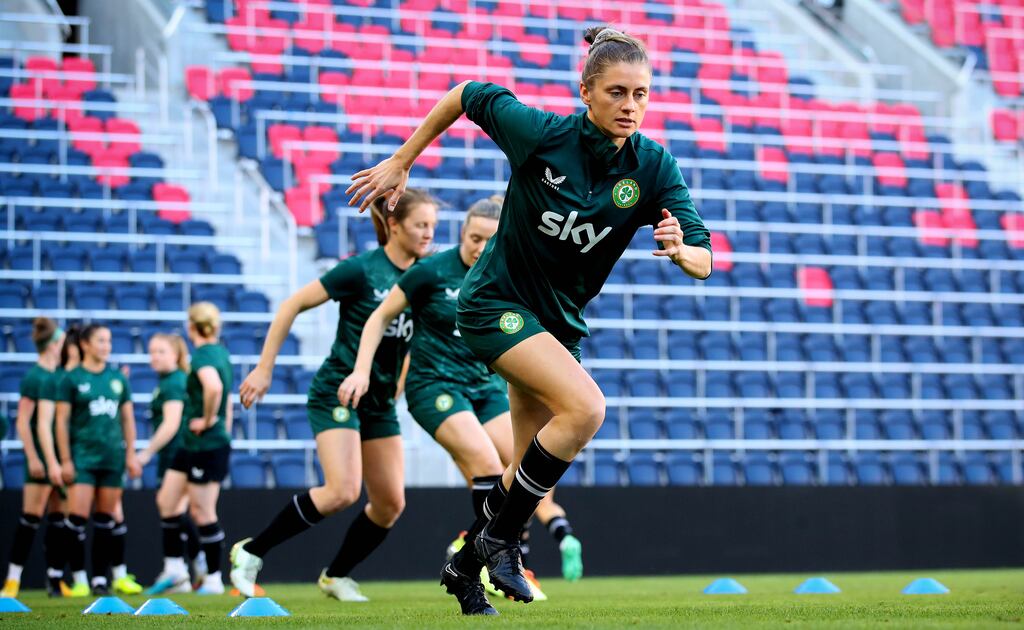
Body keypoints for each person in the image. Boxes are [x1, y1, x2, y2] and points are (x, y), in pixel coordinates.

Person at [348, 26, 712, 615]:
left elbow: (705, 255)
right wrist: (401, 160)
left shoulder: (653, 167)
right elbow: (465, 93)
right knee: (587, 409)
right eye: (617, 92)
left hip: (556, 325)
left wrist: (680, 250)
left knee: (523, 470)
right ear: (587, 91)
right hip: (492, 305)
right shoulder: (540, 134)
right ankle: (498, 543)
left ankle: (466, 568)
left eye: (642, 94)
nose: (631, 106)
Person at [337, 195, 583, 603]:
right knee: (486, 464)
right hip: (435, 386)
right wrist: (362, 370)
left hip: (484, 385)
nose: (481, 248)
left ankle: (477, 550)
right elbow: (379, 316)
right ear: (462, 234)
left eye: (490, 240)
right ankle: (489, 566)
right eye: (473, 238)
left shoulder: (507, 274)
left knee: (525, 461)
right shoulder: (432, 271)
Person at [229, 190, 438, 601]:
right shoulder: (361, 270)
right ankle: (251, 552)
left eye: (432, 226)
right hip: (338, 392)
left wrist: (396, 387)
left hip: (379, 403)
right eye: (420, 225)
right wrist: (264, 368)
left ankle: (335, 575)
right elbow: (292, 305)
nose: (428, 234)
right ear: (394, 225)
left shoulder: (427, 273)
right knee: (342, 490)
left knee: (390, 503)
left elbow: (416, 341)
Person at [146, 304, 235, 594]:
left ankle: (212, 579)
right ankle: (175, 571)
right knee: (167, 502)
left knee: (202, 511)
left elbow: (215, 389)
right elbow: (226, 396)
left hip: (206, 444)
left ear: (191, 327)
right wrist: (224, 424)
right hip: (190, 444)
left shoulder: (203, 357)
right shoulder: (220, 352)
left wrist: (209, 420)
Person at [54, 323, 143, 595]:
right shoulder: (71, 379)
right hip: (83, 458)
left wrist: (130, 454)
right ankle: (74, 577)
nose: (106, 346)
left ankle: (100, 580)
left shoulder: (118, 379)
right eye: (101, 341)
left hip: (112, 458)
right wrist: (65, 460)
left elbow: (127, 419)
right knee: (77, 518)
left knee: (105, 519)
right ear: (85, 344)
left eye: (109, 341)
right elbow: (61, 421)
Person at [1, 318, 66, 598]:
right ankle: (13, 580)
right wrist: (35, 457)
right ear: (54, 344)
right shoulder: (35, 377)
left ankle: (55, 580)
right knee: (31, 517)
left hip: (60, 456)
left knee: (59, 518)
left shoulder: (57, 376)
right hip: (42, 457)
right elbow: (24, 422)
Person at [138, 332, 205, 594]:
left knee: (172, 507)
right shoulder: (167, 381)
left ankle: (184, 570)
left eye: (161, 351)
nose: (154, 357)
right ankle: (186, 570)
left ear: (176, 355)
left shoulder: (174, 383)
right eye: (152, 351)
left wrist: (145, 453)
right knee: (176, 510)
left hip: (178, 454)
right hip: (173, 454)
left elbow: (171, 423)